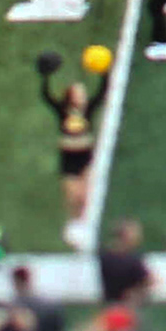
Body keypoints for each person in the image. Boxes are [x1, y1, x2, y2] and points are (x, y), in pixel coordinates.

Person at [37, 44, 109, 233]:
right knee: (71, 194)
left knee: (84, 195)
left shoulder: (89, 109)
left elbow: (102, 93)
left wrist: (104, 73)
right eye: (79, 92)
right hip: (68, 157)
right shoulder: (62, 110)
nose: (83, 95)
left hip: (85, 155)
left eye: (83, 92)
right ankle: (73, 221)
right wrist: (45, 78)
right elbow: (46, 97)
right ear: (71, 96)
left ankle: (84, 222)